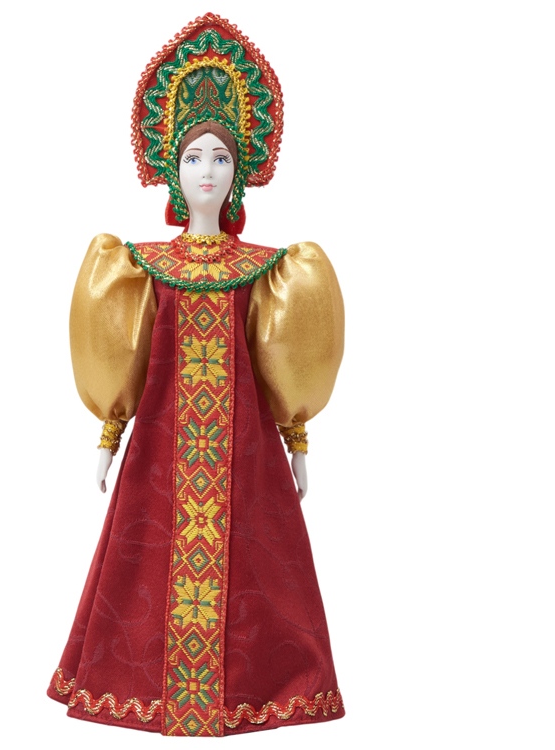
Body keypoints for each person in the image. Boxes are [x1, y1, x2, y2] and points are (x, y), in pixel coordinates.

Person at [47, 14, 345, 737]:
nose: (206, 171)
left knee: (260, 570)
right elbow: (123, 351)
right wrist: (109, 432)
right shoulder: (142, 267)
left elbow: (283, 357)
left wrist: (297, 439)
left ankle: (255, 693)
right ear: (172, 171)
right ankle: (148, 691)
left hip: (245, 453)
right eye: (192, 158)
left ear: (239, 172)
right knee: (144, 569)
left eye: (219, 158)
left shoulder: (267, 269)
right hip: (161, 450)